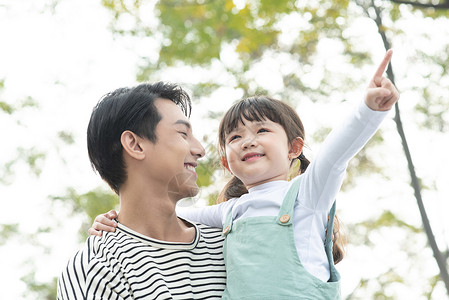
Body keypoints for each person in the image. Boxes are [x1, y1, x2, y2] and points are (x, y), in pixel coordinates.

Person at [90, 50, 400, 299]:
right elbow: (166, 217)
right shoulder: (230, 212)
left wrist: (369, 110)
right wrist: (116, 219)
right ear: (227, 163)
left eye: (262, 130)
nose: (248, 140)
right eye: (235, 137)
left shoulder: (307, 196)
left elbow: (335, 156)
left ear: (294, 148)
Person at [57, 82, 226, 299]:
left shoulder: (229, 244)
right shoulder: (97, 267)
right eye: (183, 134)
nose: (200, 150)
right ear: (135, 145)